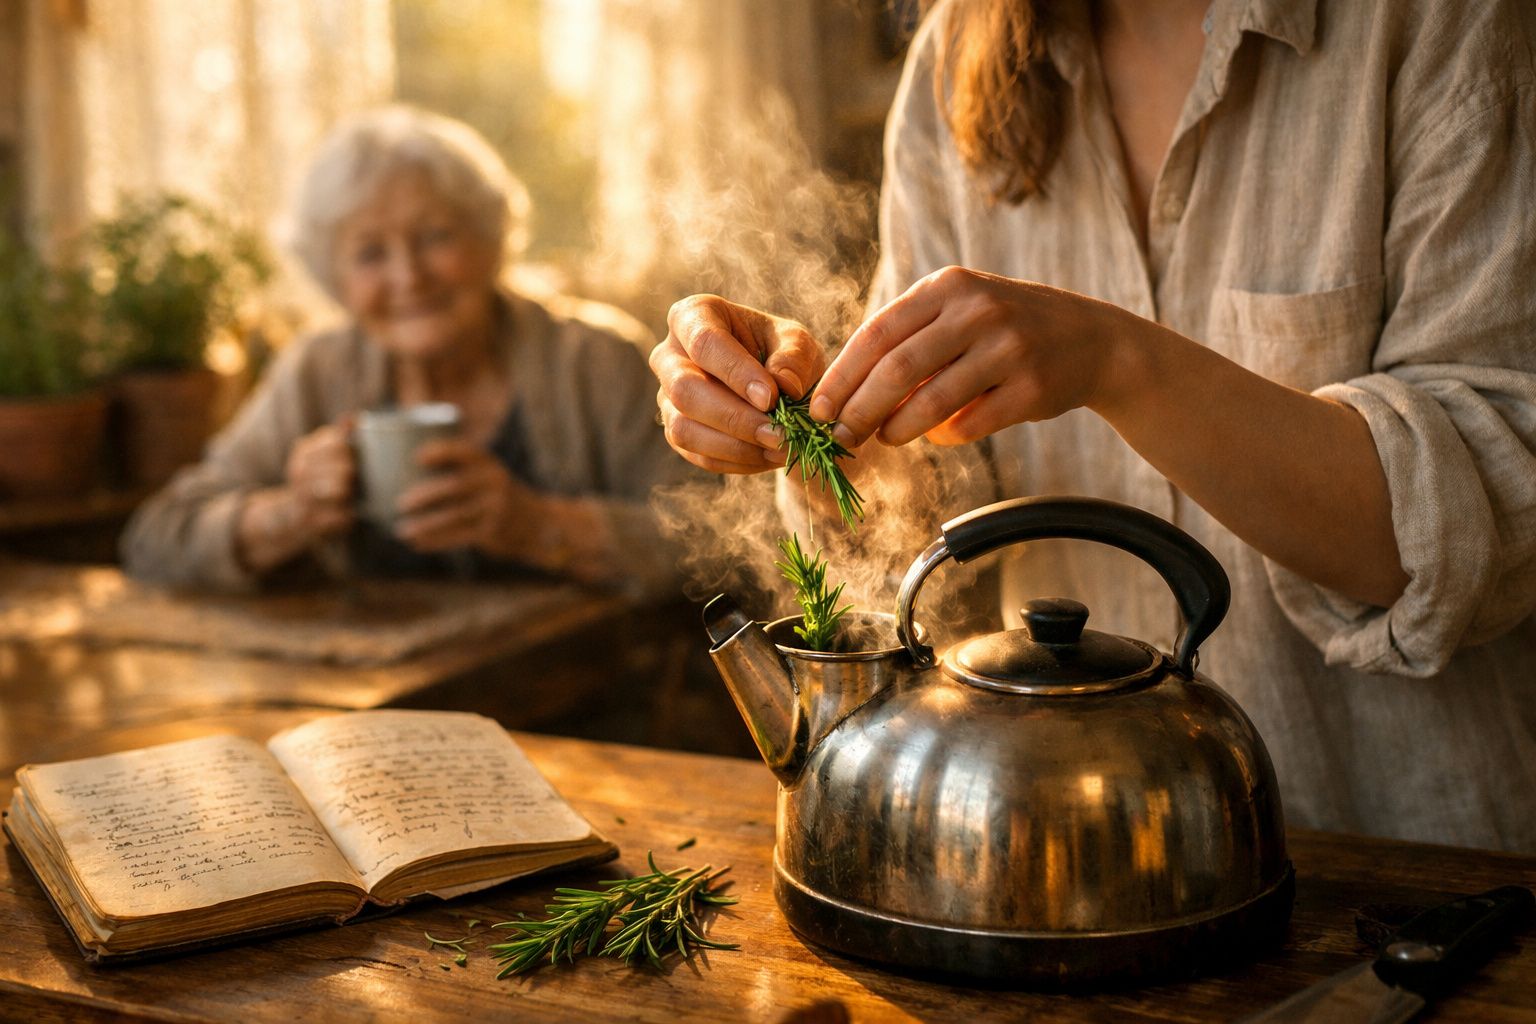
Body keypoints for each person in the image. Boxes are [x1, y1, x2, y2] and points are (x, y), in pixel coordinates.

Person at [649, 0, 1536, 852]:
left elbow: (1472, 532)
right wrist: (810, 424)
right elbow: (923, 519)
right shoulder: (954, 62)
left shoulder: (1438, 22)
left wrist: (1115, 361)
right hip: (1084, 869)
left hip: (1411, 873)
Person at [123, 105, 699, 597]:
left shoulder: (594, 361)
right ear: (335, 278)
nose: (409, 277)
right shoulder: (317, 369)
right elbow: (155, 539)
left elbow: (719, 542)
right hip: (375, 703)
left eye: (436, 237)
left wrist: (540, 526)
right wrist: (290, 514)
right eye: (371, 253)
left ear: (489, 241)